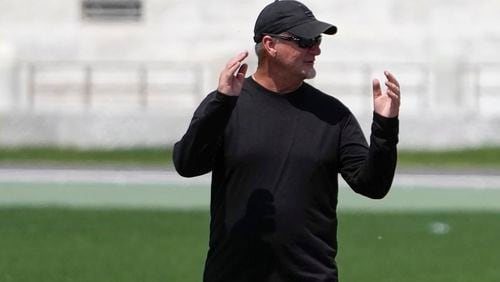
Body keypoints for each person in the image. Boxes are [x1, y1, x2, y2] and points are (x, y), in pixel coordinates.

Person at [173, 0, 400, 281]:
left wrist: (385, 126)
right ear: (270, 45)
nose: (316, 50)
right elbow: (187, 164)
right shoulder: (227, 104)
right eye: (305, 41)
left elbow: (373, 186)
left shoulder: (333, 115)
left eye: (317, 41)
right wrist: (220, 103)